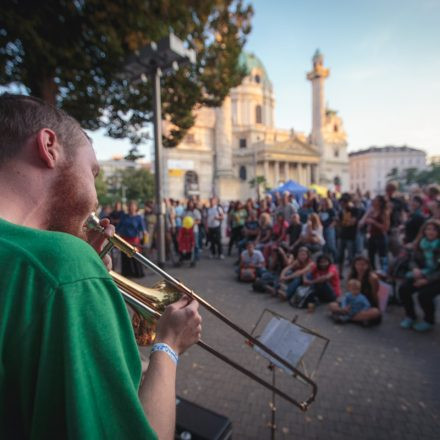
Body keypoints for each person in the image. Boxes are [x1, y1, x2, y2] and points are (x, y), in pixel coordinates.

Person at [0, 94, 202, 439]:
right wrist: (168, 344)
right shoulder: (67, 266)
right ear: (49, 146)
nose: (96, 197)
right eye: (92, 171)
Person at [399, 220, 440, 332]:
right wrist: (415, 269)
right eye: (428, 229)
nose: (430, 232)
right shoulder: (420, 243)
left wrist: (426, 280)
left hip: (435, 278)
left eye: (434, 229)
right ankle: (410, 316)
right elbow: (413, 260)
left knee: (424, 295)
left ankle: (429, 320)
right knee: (403, 289)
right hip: (421, 273)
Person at [117, 200, 148, 278]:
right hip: (124, 239)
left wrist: (146, 239)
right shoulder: (124, 216)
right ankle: (127, 273)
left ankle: (137, 273)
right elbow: (119, 226)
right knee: (125, 257)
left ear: (136, 207)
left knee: (135, 257)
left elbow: (143, 229)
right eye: (130, 206)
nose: (131, 208)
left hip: (134, 240)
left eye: (133, 206)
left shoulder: (138, 218)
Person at [360, 195, 390, 273]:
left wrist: (373, 222)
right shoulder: (371, 211)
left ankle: (384, 273)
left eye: (375, 200)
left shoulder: (384, 213)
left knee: (382, 257)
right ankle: (373, 272)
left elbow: (386, 228)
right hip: (372, 236)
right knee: (370, 256)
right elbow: (362, 222)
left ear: (380, 202)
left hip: (381, 237)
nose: (373, 201)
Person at [348, 256, 382, 322]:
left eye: (363, 264)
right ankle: (355, 317)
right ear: (354, 265)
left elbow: (375, 294)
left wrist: (378, 308)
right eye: (358, 264)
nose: (360, 267)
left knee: (375, 312)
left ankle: (348, 318)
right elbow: (349, 292)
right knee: (333, 305)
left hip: (366, 304)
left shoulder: (372, 278)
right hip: (353, 302)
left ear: (368, 266)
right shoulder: (351, 275)